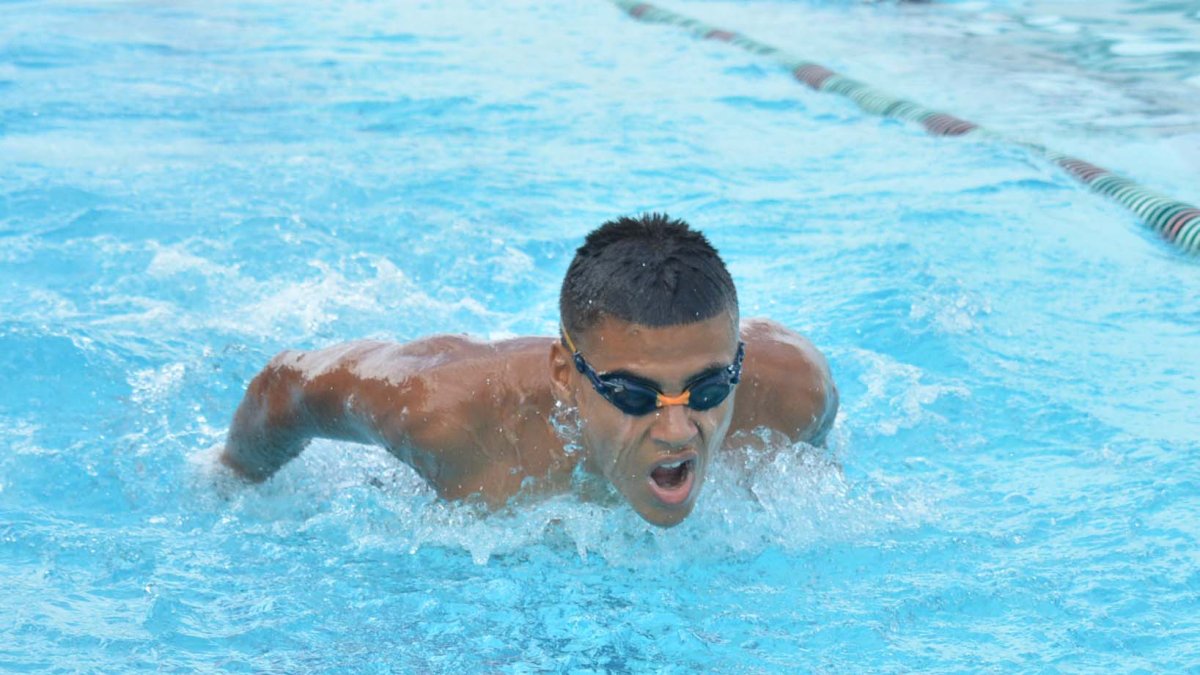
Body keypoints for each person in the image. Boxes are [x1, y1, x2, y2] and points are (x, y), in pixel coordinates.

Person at [219, 213, 837, 527]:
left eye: (706, 389)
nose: (677, 430)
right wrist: (232, 476)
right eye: (632, 394)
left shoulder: (795, 391)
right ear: (566, 375)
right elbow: (286, 385)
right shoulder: (445, 413)